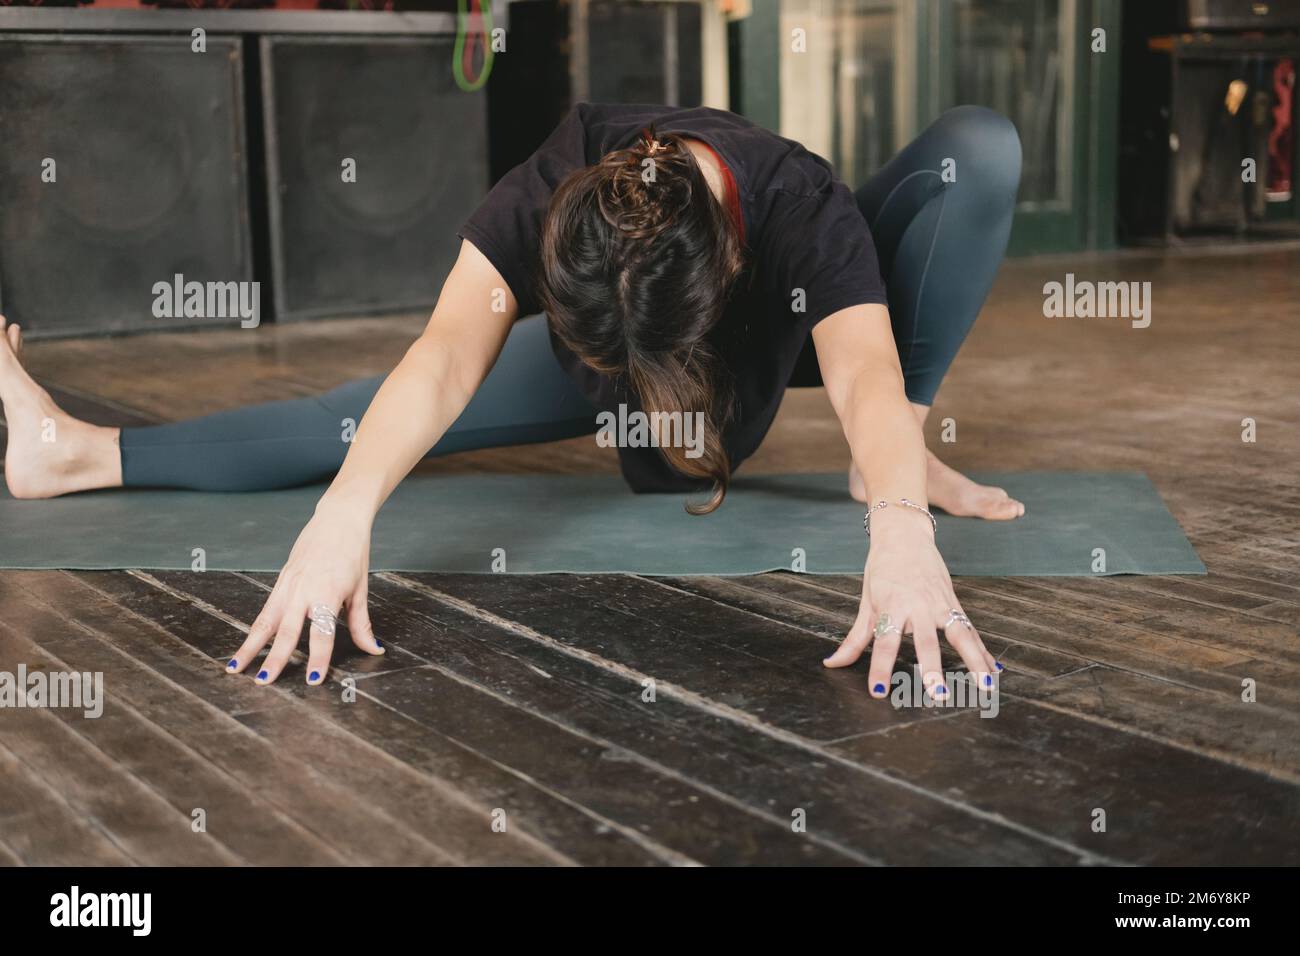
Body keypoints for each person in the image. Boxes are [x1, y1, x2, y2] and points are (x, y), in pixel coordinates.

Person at [0, 102, 1023, 696]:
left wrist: (898, 526)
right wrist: (341, 516)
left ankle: (887, 452)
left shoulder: (801, 206)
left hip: (763, 347)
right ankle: (73, 451)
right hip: (632, 352)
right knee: (366, 416)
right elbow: (443, 359)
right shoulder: (549, 183)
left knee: (979, 146)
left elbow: (861, 373)